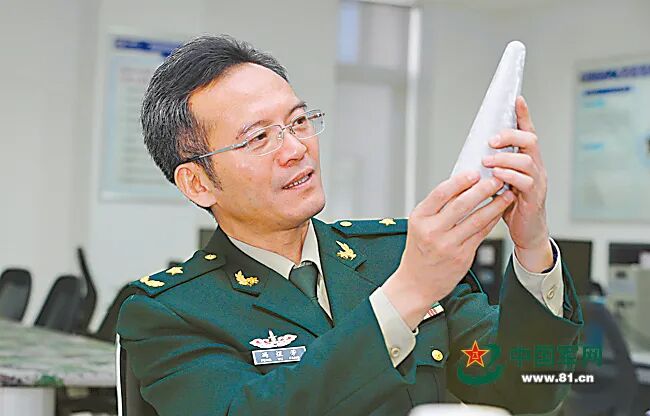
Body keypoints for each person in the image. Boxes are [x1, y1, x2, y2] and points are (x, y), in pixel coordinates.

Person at [117, 35, 582, 416]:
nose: (296, 148)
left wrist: (532, 246)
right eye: (258, 137)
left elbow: (530, 392)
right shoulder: (170, 312)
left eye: (298, 122)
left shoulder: (395, 253)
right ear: (197, 183)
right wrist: (407, 294)